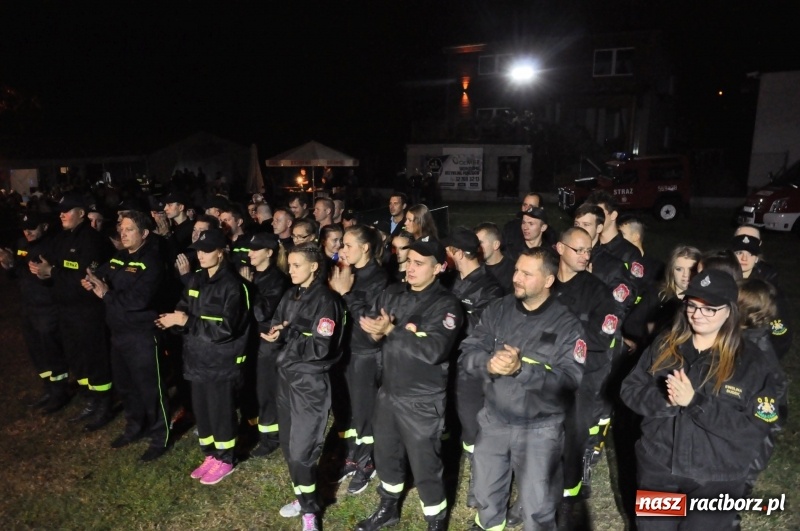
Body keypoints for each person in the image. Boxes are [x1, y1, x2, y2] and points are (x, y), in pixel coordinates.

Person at [621, 270, 785, 530]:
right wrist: (665, 400)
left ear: (730, 311)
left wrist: (696, 403)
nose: (698, 314)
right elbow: (630, 389)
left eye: (710, 309)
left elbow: (754, 429)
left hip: (717, 479)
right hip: (660, 468)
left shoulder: (753, 362)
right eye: (693, 305)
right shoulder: (666, 344)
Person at [460, 247, 586, 531]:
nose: (516, 277)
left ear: (548, 280)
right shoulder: (498, 309)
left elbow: (568, 384)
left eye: (527, 274)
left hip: (539, 431)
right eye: (517, 270)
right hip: (494, 420)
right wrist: (488, 363)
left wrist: (521, 370)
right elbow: (468, 353)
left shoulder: (568, 325)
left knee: (537, 505)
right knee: (486, 492)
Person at [355, 239, 463, 531]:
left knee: (426, 465)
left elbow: (434, 351)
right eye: (409, 261)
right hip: (388, 393)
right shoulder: (392, 294)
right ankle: (388, 507)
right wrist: (375, 334)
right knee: (386, 456)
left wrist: (391, 330)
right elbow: (369, 333)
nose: (410, 268)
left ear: (439, 268)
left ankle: (436, 520)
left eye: (419, 263)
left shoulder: (447, 305)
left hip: (422, 399)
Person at [156, 227, 251, 485]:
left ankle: (226, 459)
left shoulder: (234, 286)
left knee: (221, 414)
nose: (201, 255)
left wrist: (186, 321)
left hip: (221, 364)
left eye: (207, 250)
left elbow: (228, 329)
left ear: (221, 253)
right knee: (204, 413)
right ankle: (211, 455)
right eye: (198, 250)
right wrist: (172, 321)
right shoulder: (196, 279)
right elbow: (183, 307)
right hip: (196, 361)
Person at [266, 243, 344, 531]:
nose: (291, 269)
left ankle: (311, 511)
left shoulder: (326, 301)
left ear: (314, 266)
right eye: (290, 264)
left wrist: (291, 334)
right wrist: (277, 332)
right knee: (288, 447)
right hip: (286, 378)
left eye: (296, 264)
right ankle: (303, 495)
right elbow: (279, 320)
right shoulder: (291, 293)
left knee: (302, 451)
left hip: (309, 382)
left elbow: (320, 347)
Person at [82, 210, 170, 462]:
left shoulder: (151, 262)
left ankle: (159, 435)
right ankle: (134, 427)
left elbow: (139, 300)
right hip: (118, 334)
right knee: (126, 386)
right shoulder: (119, 258)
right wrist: (92, 281)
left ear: (144, 234)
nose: (123, 233)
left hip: (141, 335)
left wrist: (106, 294)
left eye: (129, 229)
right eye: (122, 228)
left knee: (150, 389)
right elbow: (102, 274)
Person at [31, 192, 115, 431]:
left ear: (81, 213)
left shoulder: (91, 240)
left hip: (89, 312)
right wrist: (42, 272)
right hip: (66, 311)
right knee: (77, 358)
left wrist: (53, 273)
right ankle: (90, 398)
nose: (62, 215)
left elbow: (84, 277)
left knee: (95, 358)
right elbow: (53, 269)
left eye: (67, 211)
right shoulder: (62, 239)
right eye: (60, 211)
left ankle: (104, 405)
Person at [442, 227, 504, 508]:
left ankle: (482, 485)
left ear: (456, 252)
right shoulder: (453, 280)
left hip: (472, 370)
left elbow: (482, 333)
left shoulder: (489, 289)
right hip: (451, 365)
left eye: (448, 251)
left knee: (475, 429)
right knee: (461, 428)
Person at [329, 224, 390, 494]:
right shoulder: (346, 272)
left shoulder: (379, 279)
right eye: (342, 244)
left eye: (348, 245)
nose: (342, 250)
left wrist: (345, 294)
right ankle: (353, 456)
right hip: (345, 352)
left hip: (366, 355)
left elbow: (370, 322)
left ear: (365, 248)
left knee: (366, 413)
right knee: (351, 411)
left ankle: (368, 462)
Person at [0, 212, 70, 413]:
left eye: (32, 227)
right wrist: (9, 265)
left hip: (48, 307)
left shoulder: (54, 245)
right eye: (24, 228)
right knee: (36, 351)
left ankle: (60, 392)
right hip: (29, 307)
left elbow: (59, 277)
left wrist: (47, 274)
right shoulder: (22, 243)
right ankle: (49, 389)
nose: (27, 232)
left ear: (45, 226)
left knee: (52, 351)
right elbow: (18, 271)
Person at [242, 233, 290, 458]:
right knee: (252, 388)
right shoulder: (249, 274)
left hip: (267, 344)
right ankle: (253, 426)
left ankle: (271, 436)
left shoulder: (276, 279)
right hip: (250, 341)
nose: (249, 253)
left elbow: (262, 312)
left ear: (269, 253)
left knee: (266, 391)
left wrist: (249, 288)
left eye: (255, 249)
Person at [474, 222, 515, 295]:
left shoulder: (513, 270)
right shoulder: (475, 266)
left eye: (480, 243)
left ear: (496, 245)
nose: (477, 247)